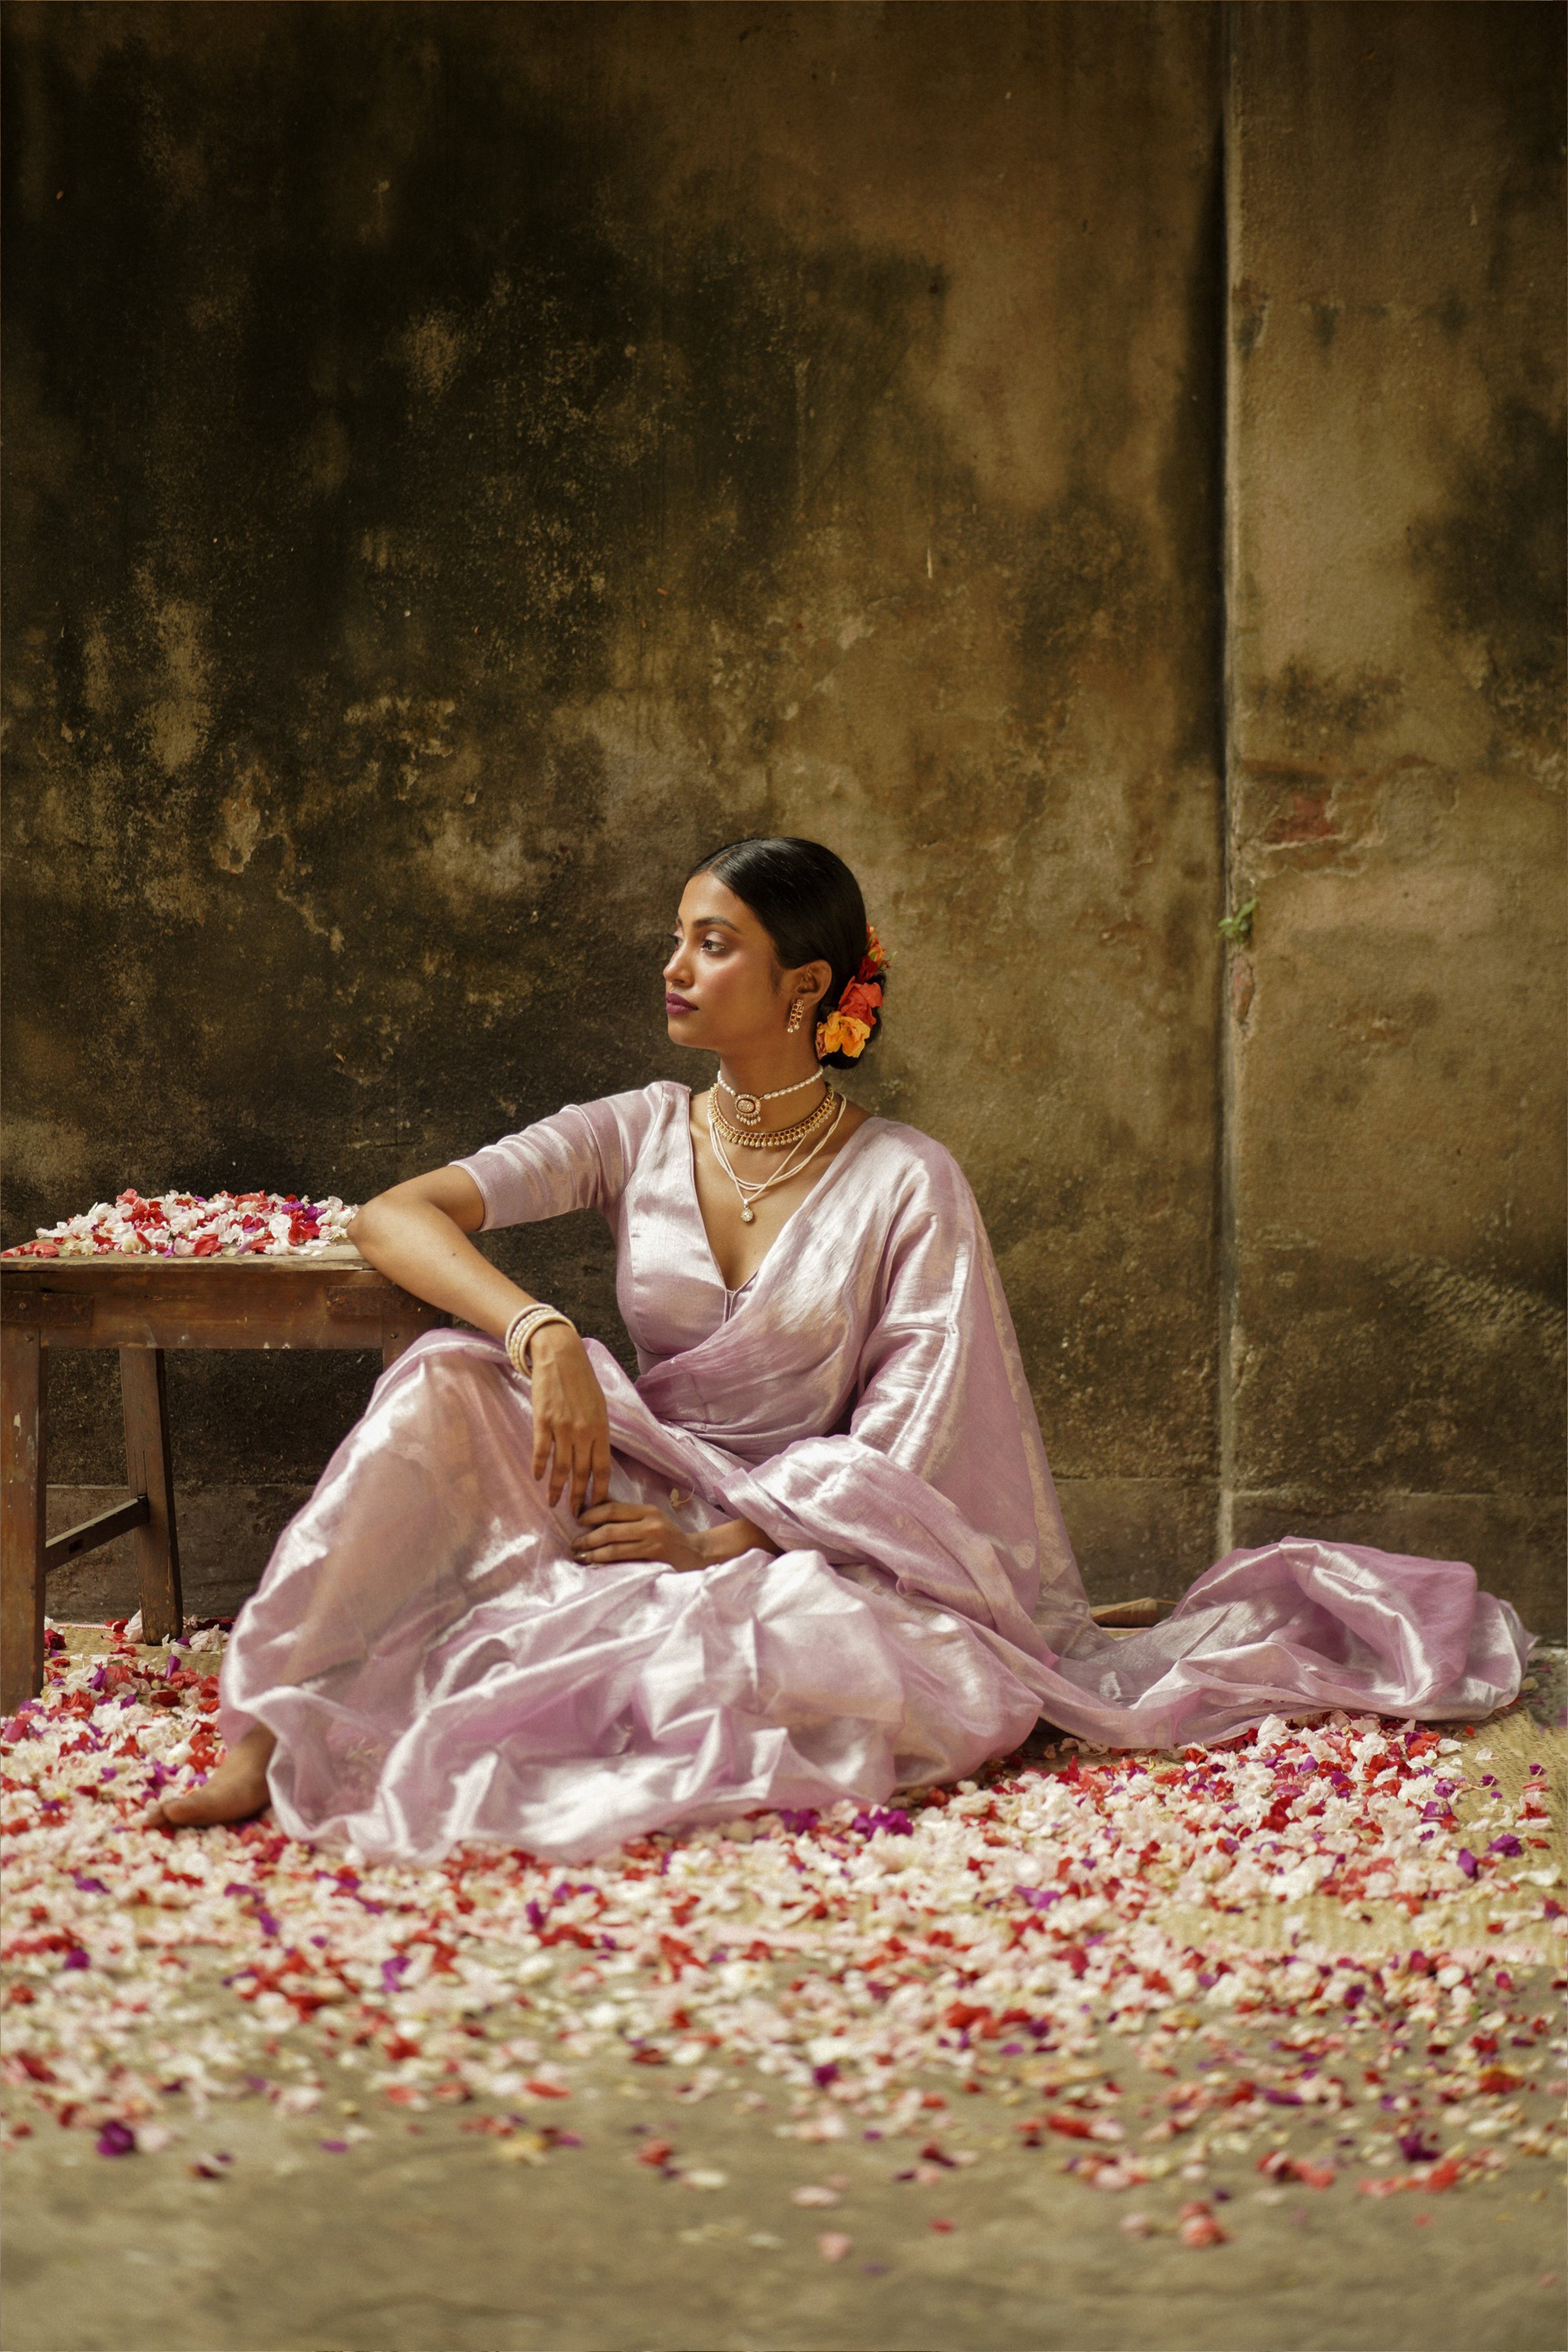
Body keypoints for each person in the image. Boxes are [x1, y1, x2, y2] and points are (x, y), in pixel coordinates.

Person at [151, 838, 1529, 1859]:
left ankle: (650, 1642)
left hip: (813, 1540)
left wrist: (726, 1546)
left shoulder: (906, 1180)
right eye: (678, 936)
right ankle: (256, 1730)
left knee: (789, 1659)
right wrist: (542, 1325)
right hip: (643, 1485)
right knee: (448, 1378)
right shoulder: (637, 1129)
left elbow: (914, 1446)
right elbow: (401, 1213)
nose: (676, 967)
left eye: (713, 942)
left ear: (807, 982)